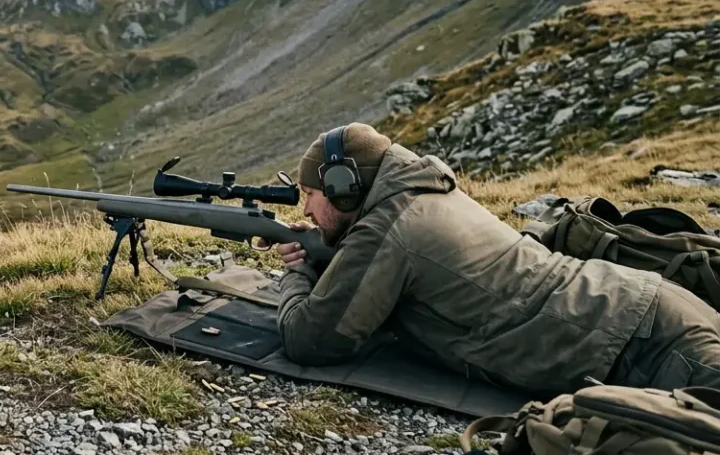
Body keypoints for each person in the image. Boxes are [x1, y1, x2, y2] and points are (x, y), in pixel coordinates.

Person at [261, 122, 720, 395]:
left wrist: (297, 272)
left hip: (642, 345)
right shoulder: (421, 192)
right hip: (643, 307)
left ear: (344, 187)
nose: (306, 209)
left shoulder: (389, 228)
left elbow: (310, 341)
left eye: (311, 194)